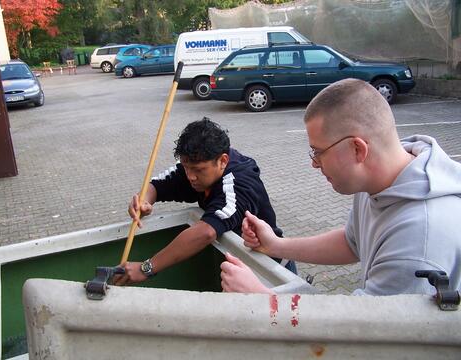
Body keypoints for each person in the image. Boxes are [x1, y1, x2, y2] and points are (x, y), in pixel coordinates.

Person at [220, 78, 461, 296]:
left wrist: (264, 299)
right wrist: (275, 245)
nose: (314, 163)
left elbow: (366, 336)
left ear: (358, 149)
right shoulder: (379, 184)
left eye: (318, 152)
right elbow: (351, 243)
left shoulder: (417, 239)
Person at [116, 117, 296, 285]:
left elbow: (206, 232)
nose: (191, 176)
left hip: (271, 272)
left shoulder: (238, 184)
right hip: (239, 271)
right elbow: (157, 184)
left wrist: (146, 268)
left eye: (198, 170)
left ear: (223, 160)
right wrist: (144, 201)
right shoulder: (198, 167)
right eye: (186, 167)